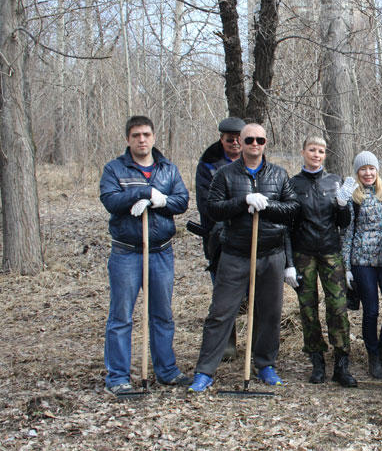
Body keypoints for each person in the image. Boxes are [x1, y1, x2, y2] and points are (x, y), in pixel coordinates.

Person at [188, 124, 300, 392]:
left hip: (271, 255)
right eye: (249, 139)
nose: (254, 144)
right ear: (240, 141)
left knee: (270, 313)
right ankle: (205, 371)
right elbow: (213, 209)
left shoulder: (279, 174)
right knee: (221, 312)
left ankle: (264, 364)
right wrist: (243, 202)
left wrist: (269, 205)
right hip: (236, 254)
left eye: (259, 140)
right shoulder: (225, 175)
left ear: (265, 142)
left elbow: (293, 208)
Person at [99, 116, 191, 395]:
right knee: (121, 316)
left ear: (153, 137)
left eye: (146, 134)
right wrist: (140, 192)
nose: (142, 139)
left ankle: (166, 370)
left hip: (161, 253)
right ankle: (118, 377)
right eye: (136, 135)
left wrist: (159, 200)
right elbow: (110, 200)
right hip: (127, 253)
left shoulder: (168, 169)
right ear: (128, 139)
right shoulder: (115, 169)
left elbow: (182, 201)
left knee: (162, 314)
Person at [286, 136, 359, 385]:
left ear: (325, 155)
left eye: (321, 151)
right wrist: (289, 263)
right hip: (303, 253)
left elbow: (345, 222)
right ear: (303, 152)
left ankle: (341, 363)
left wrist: (341, 205)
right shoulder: (293, 184)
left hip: (330, 252)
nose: (316, 155)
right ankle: (316, 360)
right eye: (312, 150)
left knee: (338, 308)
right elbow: (287, 224)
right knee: (308, 309)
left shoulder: (334, 181)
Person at [342, 151, 382, 382]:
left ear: (377, 170)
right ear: (357, 172)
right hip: (362, 262)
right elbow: (347, 233)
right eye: (363, 169)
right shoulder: (352, 196)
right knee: (372, 311)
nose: (368, 173)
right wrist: (346, 266)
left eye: (371, 168)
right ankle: (373, 356)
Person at [194, 116, 245, 360]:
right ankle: (226, 344)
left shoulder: (255, 160)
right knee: (223, 296)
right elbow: (208, 207)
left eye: (239, 139)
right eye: (229, 139)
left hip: (250, 237)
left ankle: (258, 347)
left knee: (252, 293)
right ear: (221, 139)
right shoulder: (208, 165)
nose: (235, 143)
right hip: (219, 238)